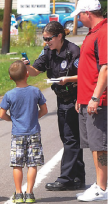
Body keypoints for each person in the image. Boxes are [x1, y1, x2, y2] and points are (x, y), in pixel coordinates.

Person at [22, 21, 85, 191]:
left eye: (48, 38)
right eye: (44, 39)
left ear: (59, 36)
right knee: (69, 139)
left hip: (74, 98)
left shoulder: (73, 51)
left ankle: (66, 179)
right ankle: (78, 177)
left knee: (71, 139)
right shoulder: (48, 51)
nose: (46, 42)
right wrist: (27, 65)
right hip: (61, 99)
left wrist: (67, 80)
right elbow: (35, 71)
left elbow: (84, 76)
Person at [70, 0, 107, 202]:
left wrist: (94, 97)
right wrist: (81, 96)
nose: (79, 20)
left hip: (98, 100)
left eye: (80, 16)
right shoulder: (94, 32)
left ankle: (102, 187)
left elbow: (106, 68)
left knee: (100, 144)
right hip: (87, 98)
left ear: (87, 13)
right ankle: (100, 184)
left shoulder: (103, 32)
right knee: (93, 144)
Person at [0, 60, 48, 203]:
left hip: (17, 134)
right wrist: (35, 116)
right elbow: (44, 110)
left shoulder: (9, 95)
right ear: (27, 74)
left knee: (17, 164)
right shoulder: (36, 91)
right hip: (34, 133)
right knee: (32, 164)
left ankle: (19, 194)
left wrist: (11, 119)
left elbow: (1, 114)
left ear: (10, 78)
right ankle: (30, 194)